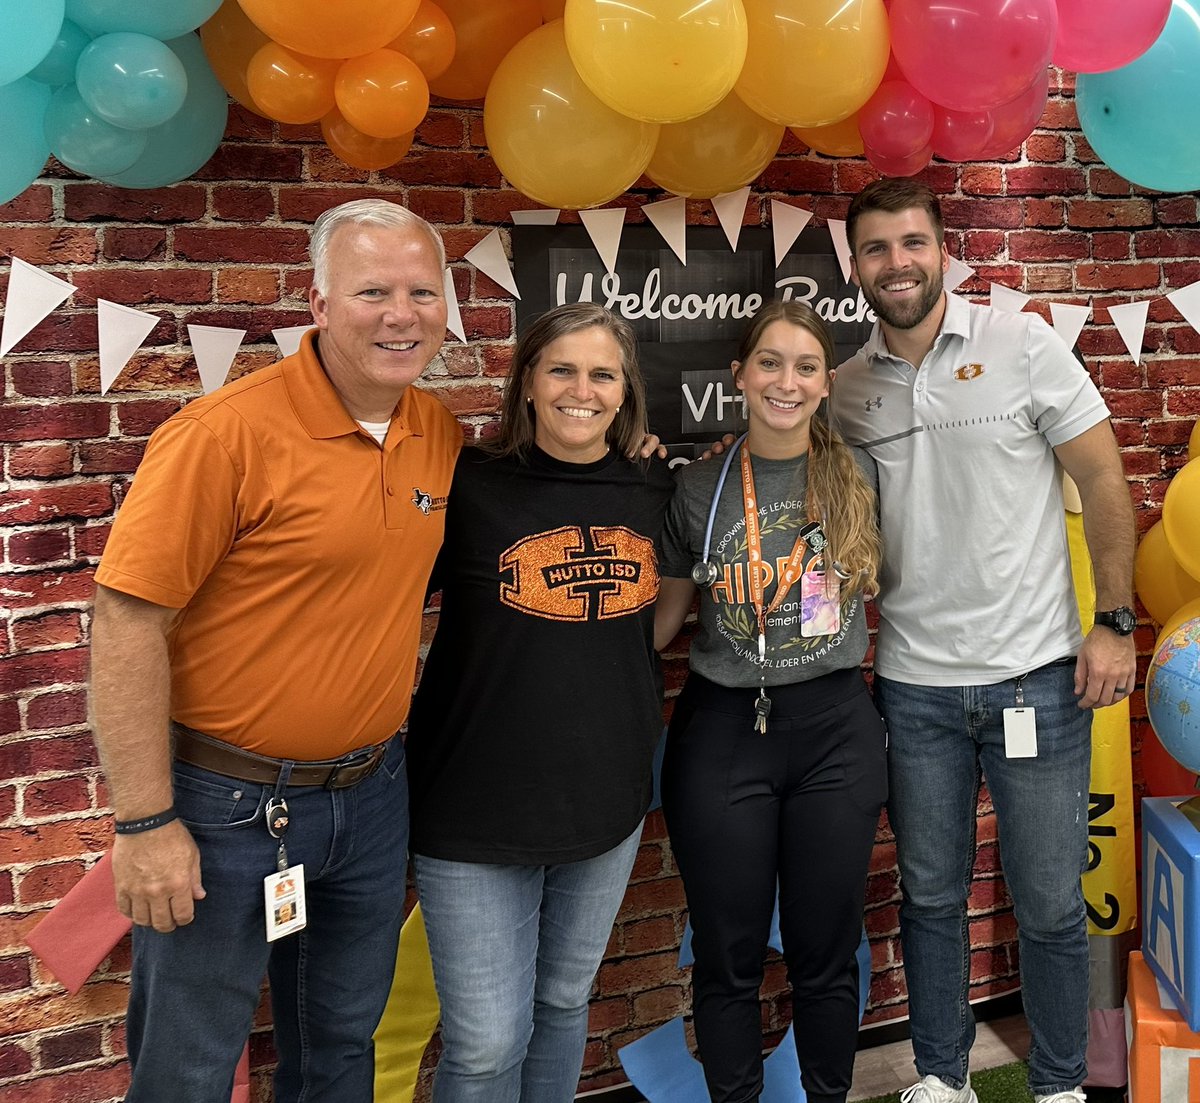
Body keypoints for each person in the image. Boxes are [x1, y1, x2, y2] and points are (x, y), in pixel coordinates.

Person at [88, 198, 463, 1103]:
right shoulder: (225, 435)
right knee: (189, 1061)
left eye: (422, 290)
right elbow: (126, 618)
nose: (401, 313)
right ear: (320, 303)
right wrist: (144, 821)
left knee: (341, 1045)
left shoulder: (436, 433)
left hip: (371, 798)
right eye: (373, 289)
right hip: (224, 808)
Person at [830, 178, 1137, 1103]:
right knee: (928, 898)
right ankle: (940, 1076)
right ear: (856, 267)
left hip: (1037, 680)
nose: (898, 263)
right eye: (877, 248)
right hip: (915, 691)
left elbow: (1105, 477)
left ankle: (1057, 1084)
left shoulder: (1022, 342)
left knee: (1047, 903)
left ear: (943, 251)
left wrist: (1115, 624)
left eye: (913, 242)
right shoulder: (845, 389)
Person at [404, 302, 675, 1102]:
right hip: (472, 804)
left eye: (602, 373)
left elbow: (660, 623)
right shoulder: (465, 484)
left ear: (626, 392)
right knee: (487, 1043)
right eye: (560, 369)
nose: (580, 390)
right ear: (525, 382)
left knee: (561, 1004)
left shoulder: (655, 484)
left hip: (604, 799)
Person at [654, 300, 887, 1103]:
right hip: (724, 729)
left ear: (827, 384)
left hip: (834, 731)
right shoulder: (697, 488)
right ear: (740, 376)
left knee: (826, 952)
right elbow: (663, 626)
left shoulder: (859, 475)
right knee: (729, 955)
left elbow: (895, 580)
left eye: (806, 366)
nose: (787, 381)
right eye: (770, 363)